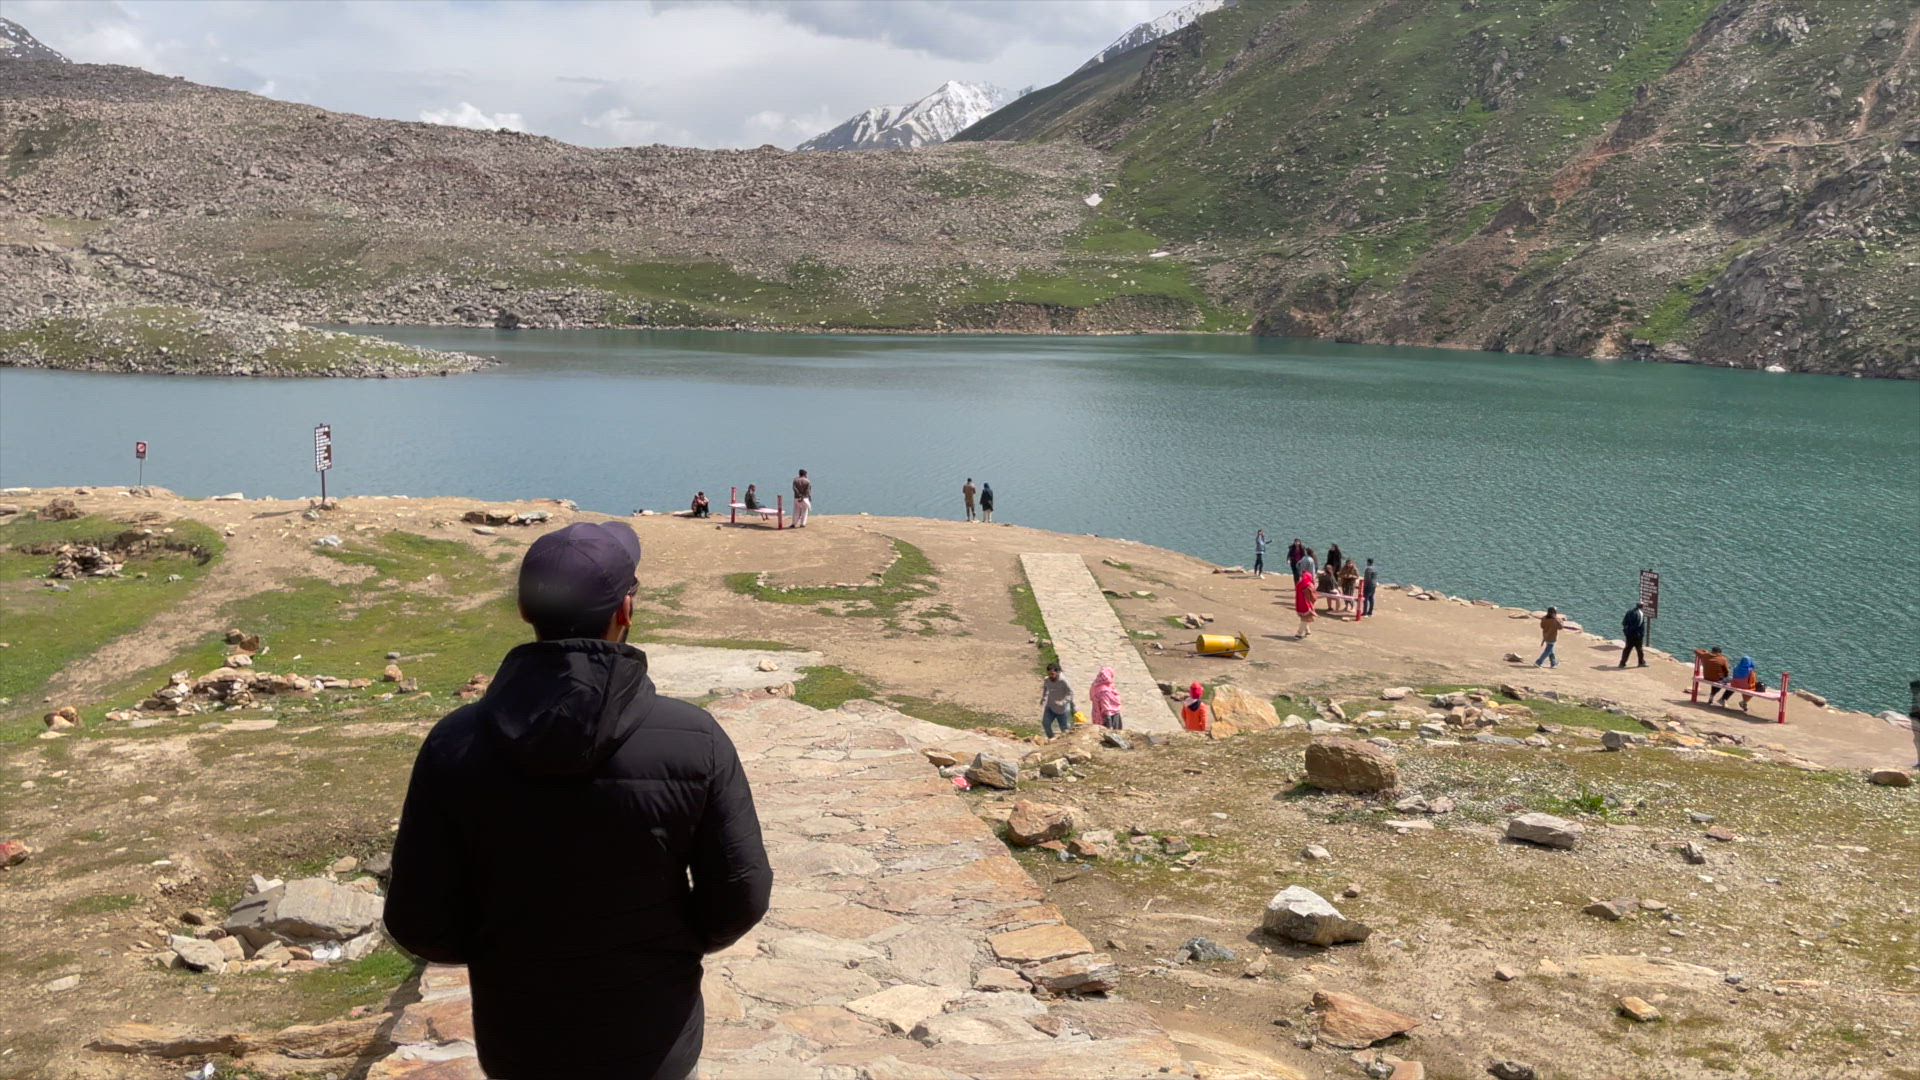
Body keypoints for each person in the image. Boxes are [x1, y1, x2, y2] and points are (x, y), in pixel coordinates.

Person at [385, 521, 772, 1080]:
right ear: (626, 610)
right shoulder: (695, 739)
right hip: (654, 1039)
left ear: (524, 612)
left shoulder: (455, 744)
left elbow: (417, 919)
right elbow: (742, 891)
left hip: (522, 1040)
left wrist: (501, 953)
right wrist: (675, 945)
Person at [1040, 661, 1074, 738]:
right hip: (1050, 706)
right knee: (1046, 723)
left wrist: (1063, 702)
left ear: (1057, 672)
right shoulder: (1047, 680)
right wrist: (1044, 697)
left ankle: (1065, 743)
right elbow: (1046, 687)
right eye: (1049, 674)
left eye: (1052, 674)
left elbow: (1071, 693)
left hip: (1062, 710)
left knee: (1065, 729)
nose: (1050, 676)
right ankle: (1051, 738)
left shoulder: (1063, 681)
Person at [1619, 602, 1648, 667]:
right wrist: (1640, 634)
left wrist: (1627, 631)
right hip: (1636, 635)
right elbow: (1638, 625)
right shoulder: (1640, 614)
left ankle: (1622, 663)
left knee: (1627, 649)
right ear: (1642, 607)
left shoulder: (1629, 611)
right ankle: (1641, 662)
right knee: (1639, 649)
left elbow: (1624, 622)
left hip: (1629, 634)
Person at [1294, 568, 1317, 638]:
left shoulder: (1300, 584)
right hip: (1306, 604)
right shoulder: (1309, 584)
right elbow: (1313, 596)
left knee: (1304, 618)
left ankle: (1307, 630)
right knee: (1305, 619)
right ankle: (1299, 633)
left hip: (1299, 603)